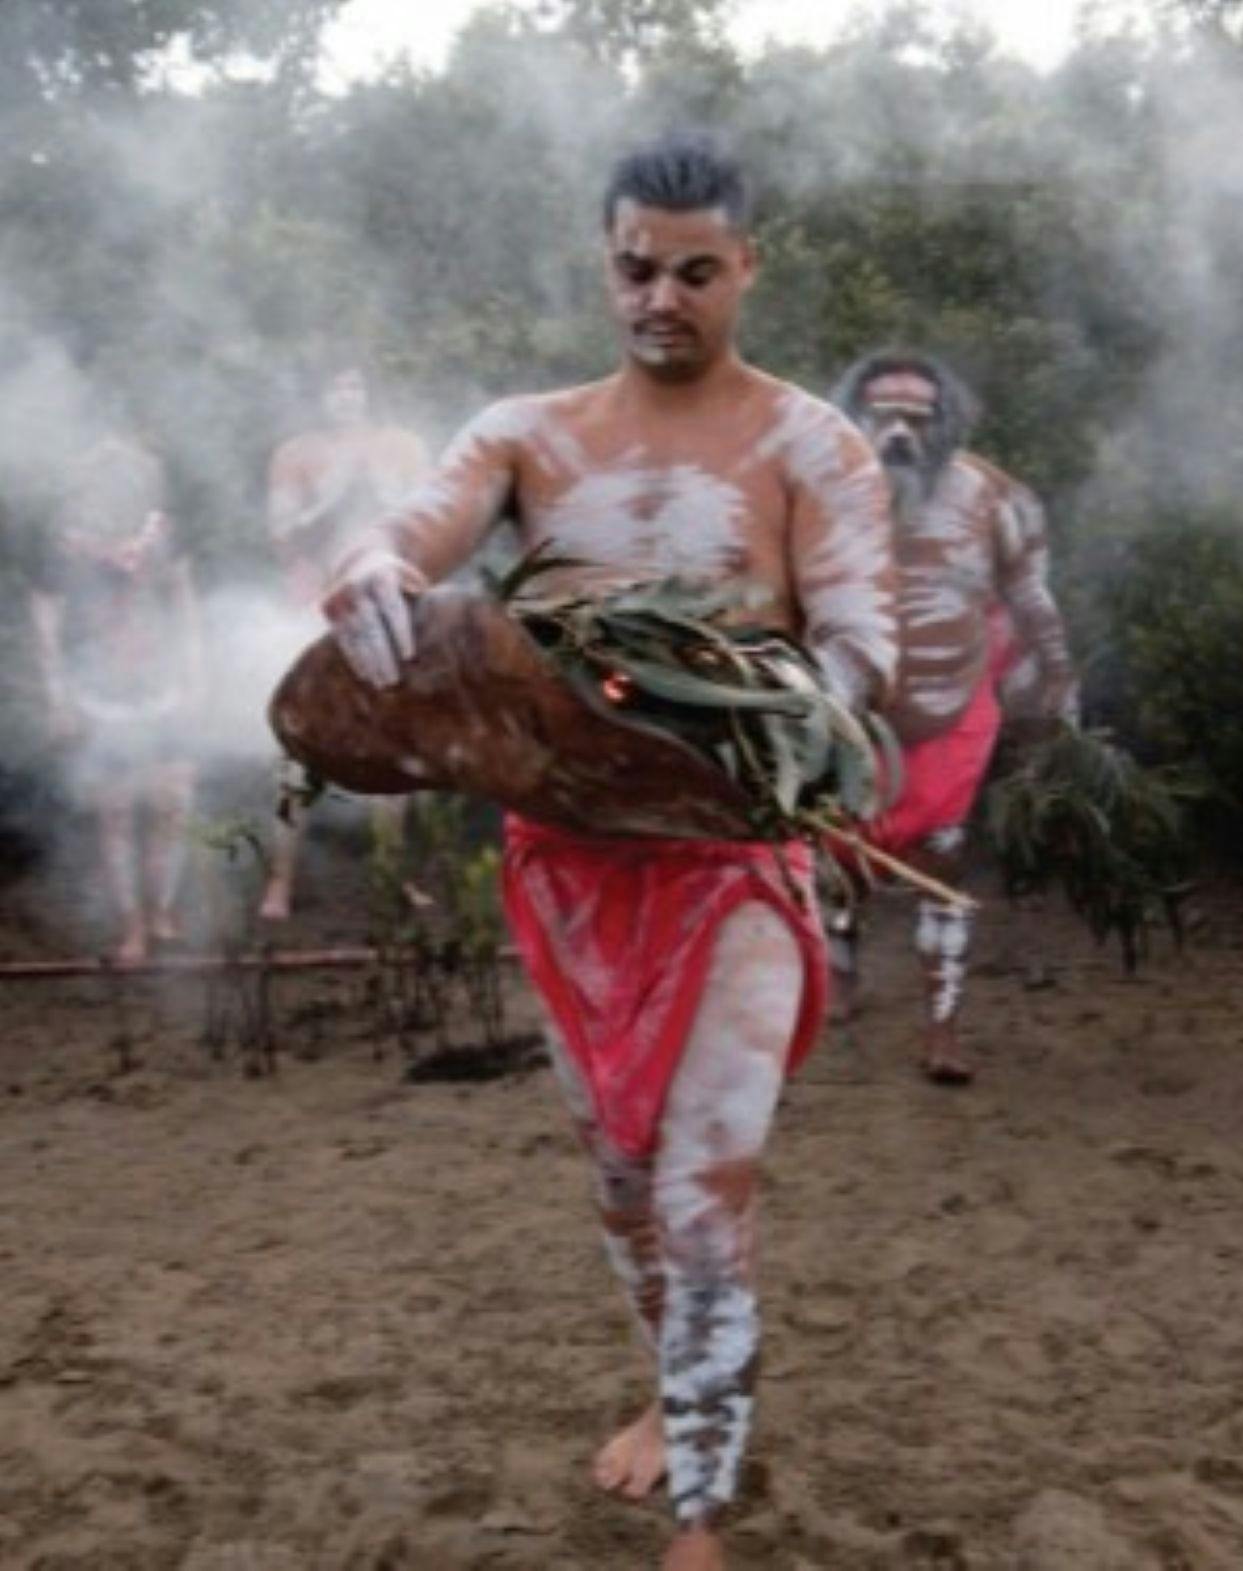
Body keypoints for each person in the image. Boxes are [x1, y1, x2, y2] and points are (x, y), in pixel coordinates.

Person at [319, 133, 896, 1571]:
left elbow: (861, 642)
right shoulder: (530, 431)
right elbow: (417, 527)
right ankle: (675, 1383)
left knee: (707, 1181)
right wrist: (379, 569)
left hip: (733, 857)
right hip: (569, 868)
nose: (664, 297)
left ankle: (701, 1507)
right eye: (638, 267)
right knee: (626, 1182)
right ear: (606, 259)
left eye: (698, 272)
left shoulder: (810, 443)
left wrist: (803, 722)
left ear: (747, 266)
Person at [828, 350, 1076, 1083]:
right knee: (841, 855)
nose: (900, 431)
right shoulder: (820, 489)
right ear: (853, 415)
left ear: (947, 422)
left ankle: (942, 1026)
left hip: (950, 709)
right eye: (883, 414)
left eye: (918, 416)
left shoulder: (992, 495)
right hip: (852, 715)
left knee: (942, 860)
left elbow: (1032, 599)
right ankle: (840, 975)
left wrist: (1057, 688)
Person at [258, 363, 432, 920]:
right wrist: (331, 496)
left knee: (398, 745)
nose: (345, 396)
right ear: (320, 396)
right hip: (314, 604)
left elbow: (430, 525)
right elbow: (281, 538)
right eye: (335, 385)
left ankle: (392, 877)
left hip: (388, 604)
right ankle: (279, 884)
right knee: (295, 746)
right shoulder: (295, 453)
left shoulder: (403, 446)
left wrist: (381, 492)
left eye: (355, 385)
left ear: (370, 393)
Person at [30, 426, 204, 965]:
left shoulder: (165, 534)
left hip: (164, 687)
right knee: (117, 810)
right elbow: (45, 623)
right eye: (104, 474)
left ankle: (162, 911)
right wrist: (57, 696)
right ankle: (131, 926)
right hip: (101, 692)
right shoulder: (62, 545)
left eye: (129, 472)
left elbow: (185, 606)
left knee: (173, 801)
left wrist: (199, 675)